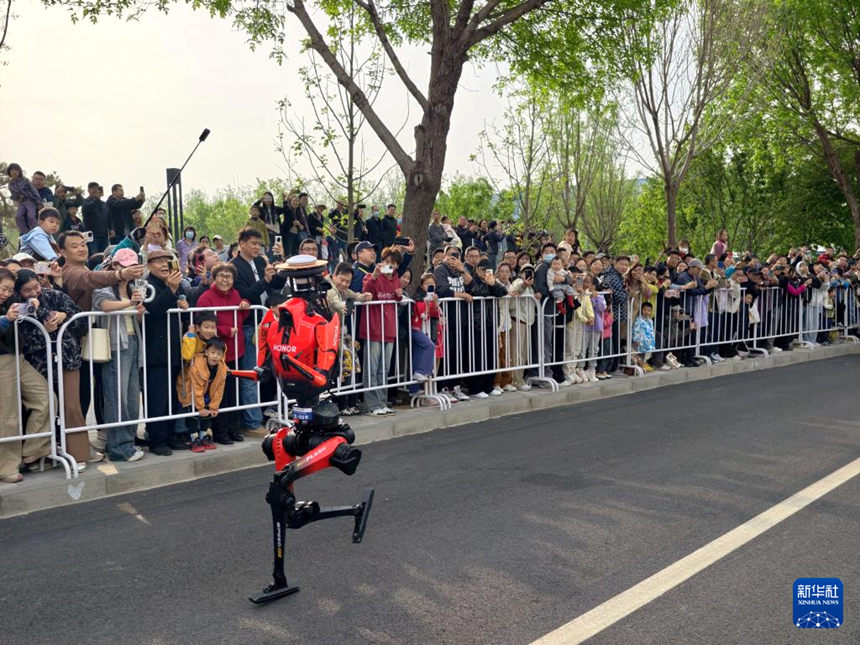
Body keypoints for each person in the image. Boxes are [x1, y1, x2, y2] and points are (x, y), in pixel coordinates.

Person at [14, 269, 98, 468]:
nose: (34, 292)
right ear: (19, 292)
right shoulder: (16, 307)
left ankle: (79, 454)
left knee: (71, 406)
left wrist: (64, 316)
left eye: (36, 286)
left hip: (67, 357)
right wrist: (41, 326)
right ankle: (43, 453)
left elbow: (82, 319)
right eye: (27, 290)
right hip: (38, 361)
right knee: (44, 407)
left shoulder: (55, 295)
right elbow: (21, 338)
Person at [92, 249, 146, 462]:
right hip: (115, 346)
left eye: (133, 265)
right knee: (117, 397)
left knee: (132, 398)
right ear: (115, 266)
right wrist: (130, 304)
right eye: (126, 266)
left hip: (133, 343)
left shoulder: (134, 288)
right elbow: (104, 306)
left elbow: (136, 319)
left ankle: (128, 442)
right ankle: (118, 446)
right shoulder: (104, 286)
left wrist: (138, 311)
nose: (130, 269)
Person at [0, 267, 53, 483]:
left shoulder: (10, 300)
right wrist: (5, 319)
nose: (6, 293)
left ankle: (32, 449)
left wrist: (29, 305)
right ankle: (6, 466)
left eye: (10, 289)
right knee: (8, 416)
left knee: (46, 398)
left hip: (18, 356)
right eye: (3, 288)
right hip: (2, 360)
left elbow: (20, 309)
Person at [231, 228, 286, 432]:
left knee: (268, 373)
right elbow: (245, 295)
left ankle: (263, 414)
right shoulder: (234, 267)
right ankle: (252, 422)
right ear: (242, 243)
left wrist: (281, 270)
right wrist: (265, 280)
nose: (257, 247)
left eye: (259, 244)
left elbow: (275, 287)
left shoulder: (262, 262)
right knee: (251, 374)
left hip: (268, 324)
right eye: (253, 243)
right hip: (249, 326)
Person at [195, 263, 251, 443]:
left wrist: (246, 304)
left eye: (228, 277)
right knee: (219, 393)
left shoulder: (235, 294)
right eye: (221, 276)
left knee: (234, 392)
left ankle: (234, 428)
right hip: (216, 355)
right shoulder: (206, 298)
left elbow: (244, 315)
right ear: (214, 277)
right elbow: (203, 324)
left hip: (236, 351)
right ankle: (220, 432)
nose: (225, 280)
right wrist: (226, 330)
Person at [141, 250, 184, 455]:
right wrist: (171, 289)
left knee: (172, 397)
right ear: (149, 265)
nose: (165, 265)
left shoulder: (173, 284)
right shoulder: (146, 285)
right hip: (156, 352)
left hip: (174, 349)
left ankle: (170, 435)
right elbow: (153, 309)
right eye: (159, 261)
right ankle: (157, 439)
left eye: (167, 261)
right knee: (157, 398)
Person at [360, 247, 402, 415]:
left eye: (393, 263)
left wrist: (399, 295)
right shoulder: (371, 276)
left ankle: (382, 402)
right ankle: (372, 405)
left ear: (397, 265)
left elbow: (397, 299)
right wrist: (374, 277)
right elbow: (365, 294)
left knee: (383, 369)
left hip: (390, 329)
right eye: (386, 262)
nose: (389, 266)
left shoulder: (397, 280)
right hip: (373, 328)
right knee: (372, 368)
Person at [465, 258, 508, 398]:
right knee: (477, 356)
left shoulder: (492, 282)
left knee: (491, 355)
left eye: (488, 270)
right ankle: (476, 388)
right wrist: (487, 284)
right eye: (483, 270)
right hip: (477, 324)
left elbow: (503, 291)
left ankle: (489, 386)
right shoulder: (472, 280)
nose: (485, 273)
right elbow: (477, 292)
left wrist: (493, 283)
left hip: (491, 322)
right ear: (477, 270)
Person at [180, 338, 228, 453]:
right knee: (193, 414)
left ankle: (203, 436)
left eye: (219, 354)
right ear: (206, 352)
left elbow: (219, 388)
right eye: (212, 353)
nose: (215, 356)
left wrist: (214, 406)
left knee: (208, 413)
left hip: (205, 391)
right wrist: (200, 407)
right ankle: (193, 438)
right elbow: (196, 387)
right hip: (189, 390)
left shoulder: (222, 367)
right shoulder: (198, 364)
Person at [508, 263, 537, 390]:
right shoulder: (518, 281)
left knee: (523, 353)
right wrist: (524, 284)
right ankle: (516, 379)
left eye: (531, 271)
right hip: (518, 320)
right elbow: (517, 289)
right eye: (526, 271)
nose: (529, 274)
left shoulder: (531, 287)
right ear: (521, 273)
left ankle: (519, 378)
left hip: (527, 322)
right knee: (517, 352)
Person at [7, 163, 43, 235]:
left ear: (19, 172)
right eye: (12, 170)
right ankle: (25, 233)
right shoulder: (10, 184)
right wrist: (17, 197)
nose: (14, 172)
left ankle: (36, 232)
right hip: (21, 202)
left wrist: (39, 202)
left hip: (30, 200)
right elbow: (13, 195)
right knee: (18, 216)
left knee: (30, 215)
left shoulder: (25, 180)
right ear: (9, 172)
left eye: (16, 170)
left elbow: (34, 191)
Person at [82, 182, 112, 253]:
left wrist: (111, 228)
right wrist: (96, 199)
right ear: (88, 190)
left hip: (104, 234)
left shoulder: (104, 204)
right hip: (91, 235)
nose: (95, 191)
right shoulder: (86, 202)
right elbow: (88, 208)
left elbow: (109, 217)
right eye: (93, 189)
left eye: (97, 189)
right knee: (93, 254)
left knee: (104, 254)